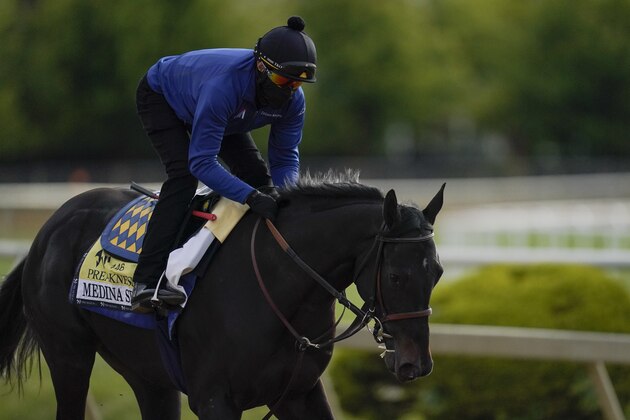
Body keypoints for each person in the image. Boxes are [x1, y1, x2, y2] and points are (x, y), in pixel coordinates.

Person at [131, 16, 317, 312]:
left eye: (297, 84)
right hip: (162, 96)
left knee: (260, 178)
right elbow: (201, 163)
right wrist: (250, 197)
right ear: (260, 67)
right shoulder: (224, 87)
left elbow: (284, 158)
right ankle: (145, 281)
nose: (289, 90)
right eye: (283, 80)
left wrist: (286, 199)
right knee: (182, 178)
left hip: (219, 109)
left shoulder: (294, 100)